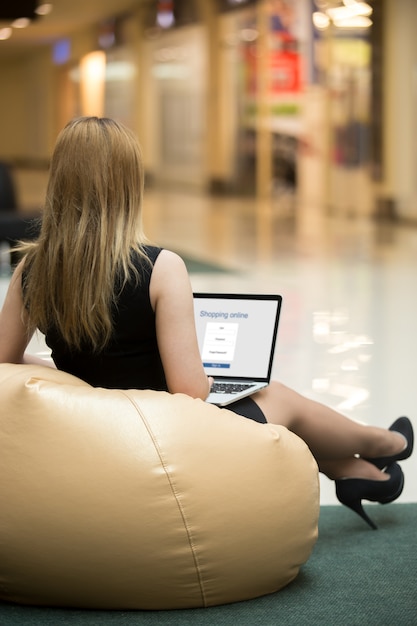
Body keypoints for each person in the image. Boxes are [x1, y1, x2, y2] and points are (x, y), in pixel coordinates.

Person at [0, 116, 413, 530]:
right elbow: (190, 392)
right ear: (128, 184)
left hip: (94, 428)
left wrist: (70, 376)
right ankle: (384, 443)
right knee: (278, 397)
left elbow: (5, 361)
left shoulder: (32, 269)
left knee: (272, 402)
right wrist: (211, 380)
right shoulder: (160, 268)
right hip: (161, 436)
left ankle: (359, 474)